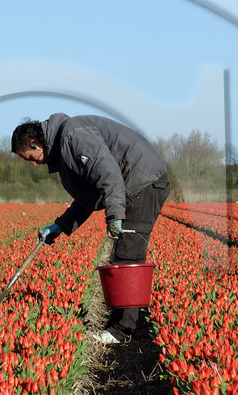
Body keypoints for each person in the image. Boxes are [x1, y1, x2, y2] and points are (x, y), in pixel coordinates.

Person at [11, 112, 171, 344]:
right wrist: (59, 225)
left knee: (128, 253)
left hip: (142, 183)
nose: (34, 164)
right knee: (125, 253)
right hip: (133, 184)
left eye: (30, 157)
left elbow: (109, 175)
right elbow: (88, 197)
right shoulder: (66, 144)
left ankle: (122, 329)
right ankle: (124, 323)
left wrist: (115, 214)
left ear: (35, 143)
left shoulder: (73, 137)